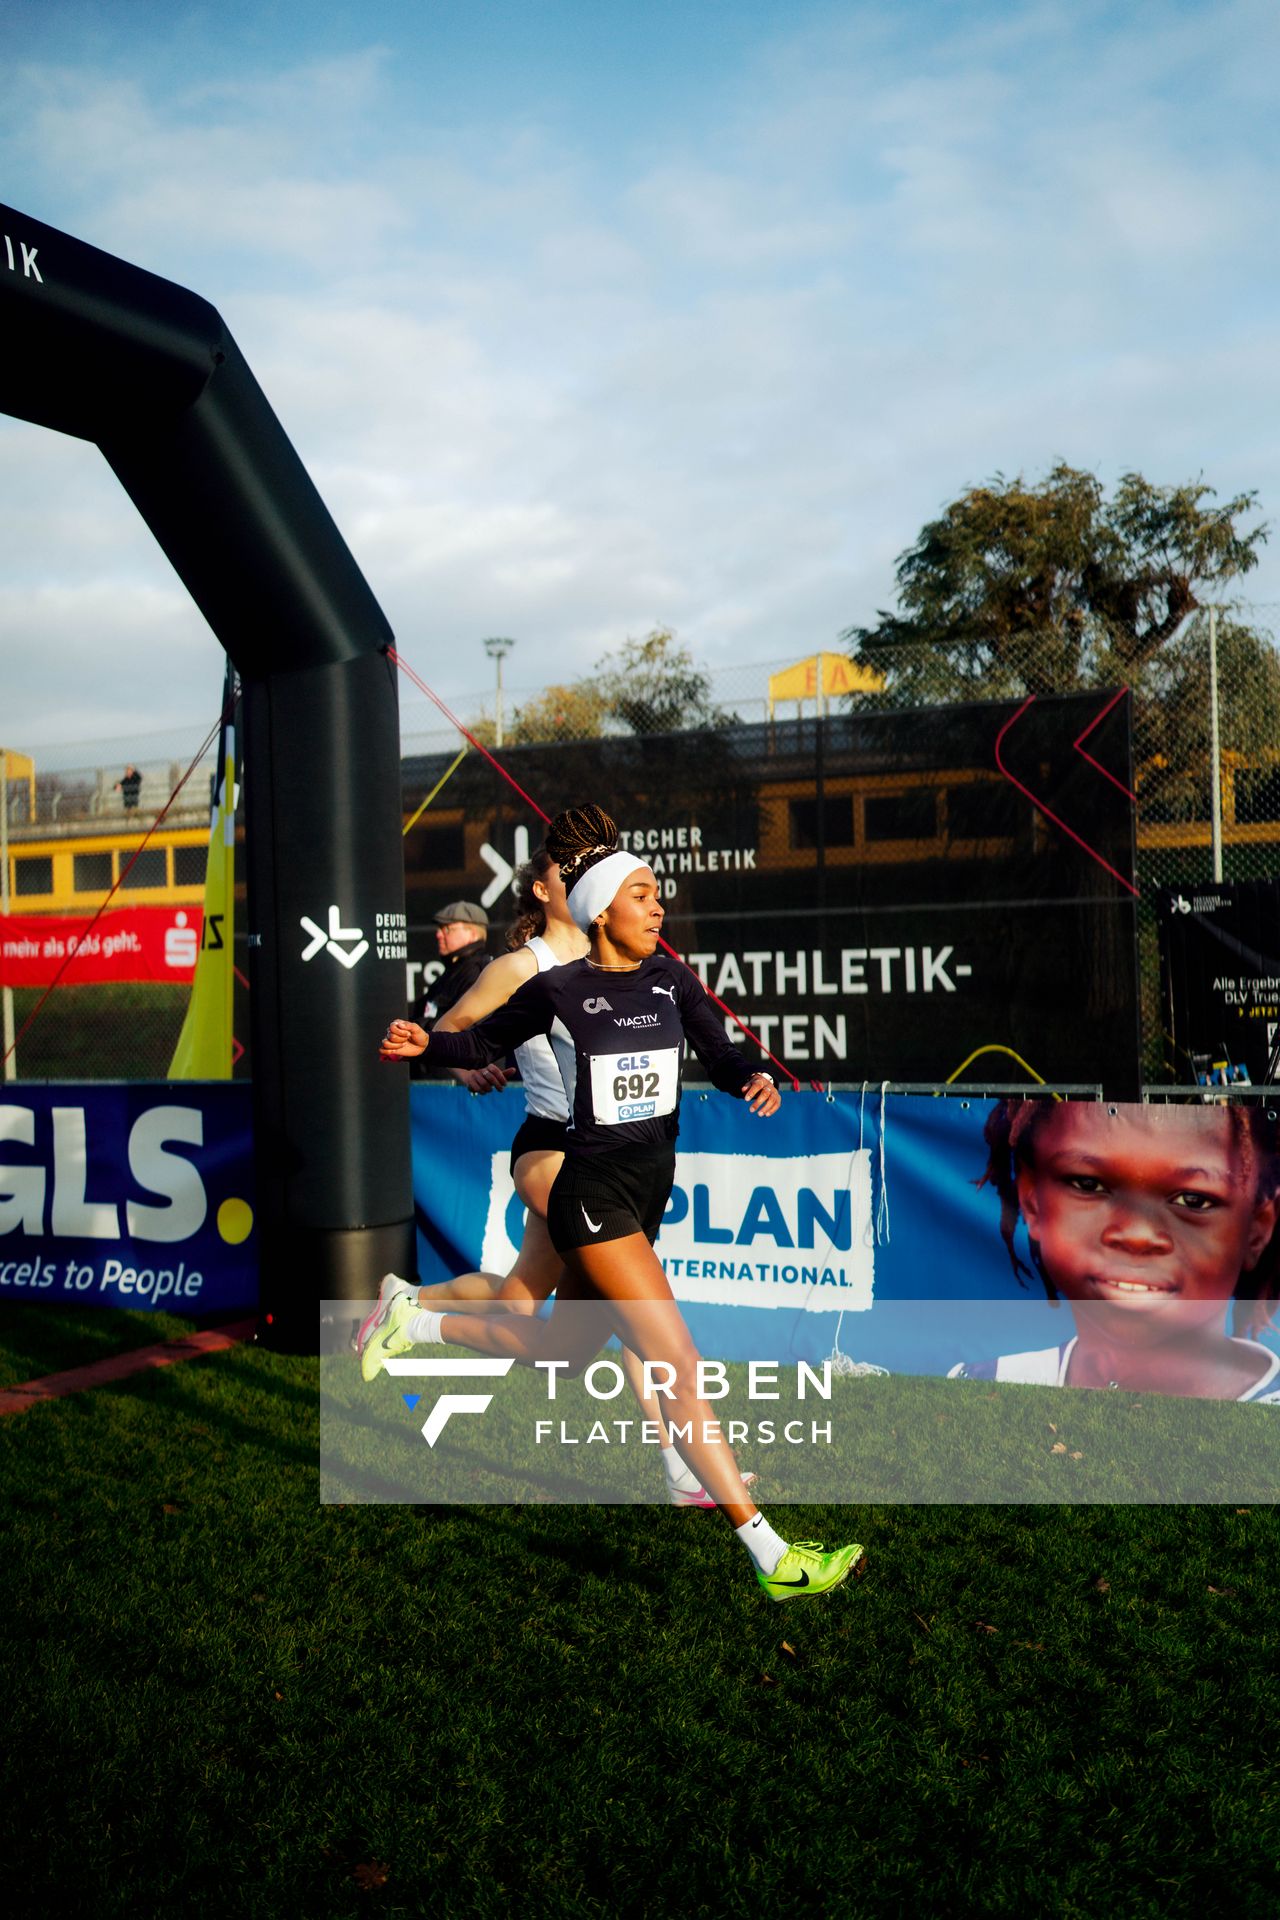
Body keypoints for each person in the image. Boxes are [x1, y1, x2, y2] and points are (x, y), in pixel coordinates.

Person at [375, 803, 866, 1602]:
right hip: (588, 1196)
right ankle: (770, 1552)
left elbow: (719, 1039)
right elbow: (481, 1042)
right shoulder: (558, 987)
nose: (659, 906)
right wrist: (429, 1044)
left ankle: (420, 1321)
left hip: (644, 1198)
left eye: (658, 895)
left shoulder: (671, 977)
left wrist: (751, 1076)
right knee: (677, 1361)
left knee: (559, 1351)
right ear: (602, 908)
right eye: (643, 895)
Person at [360, 846, 725, 1505]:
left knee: (526, 1305)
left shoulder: (624, 962)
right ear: (545, 888)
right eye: (572, 873)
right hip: (551, 1150)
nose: (587, 881)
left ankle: (411, 1308)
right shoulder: (523, 967)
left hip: (606, 1151)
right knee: (632, 1301)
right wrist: (466, 1065)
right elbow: (456, 1029)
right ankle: (676, 1464)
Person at [948, 1099, 1280, 1399]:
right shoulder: (978, 1390)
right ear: (1032, 1202)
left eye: (1192, 1201)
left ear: (1257, 1229)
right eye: (1088, 1184)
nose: (1136, 1235)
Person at [413, 900, 491, 1080]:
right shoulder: (449, 975)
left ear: (472, 934)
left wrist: (420, 1028)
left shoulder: (480, 973)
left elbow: (467, 1026)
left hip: (462, 1089)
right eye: (439, 929)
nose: (439, 935)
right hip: (433, 1084)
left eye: (448, 929)